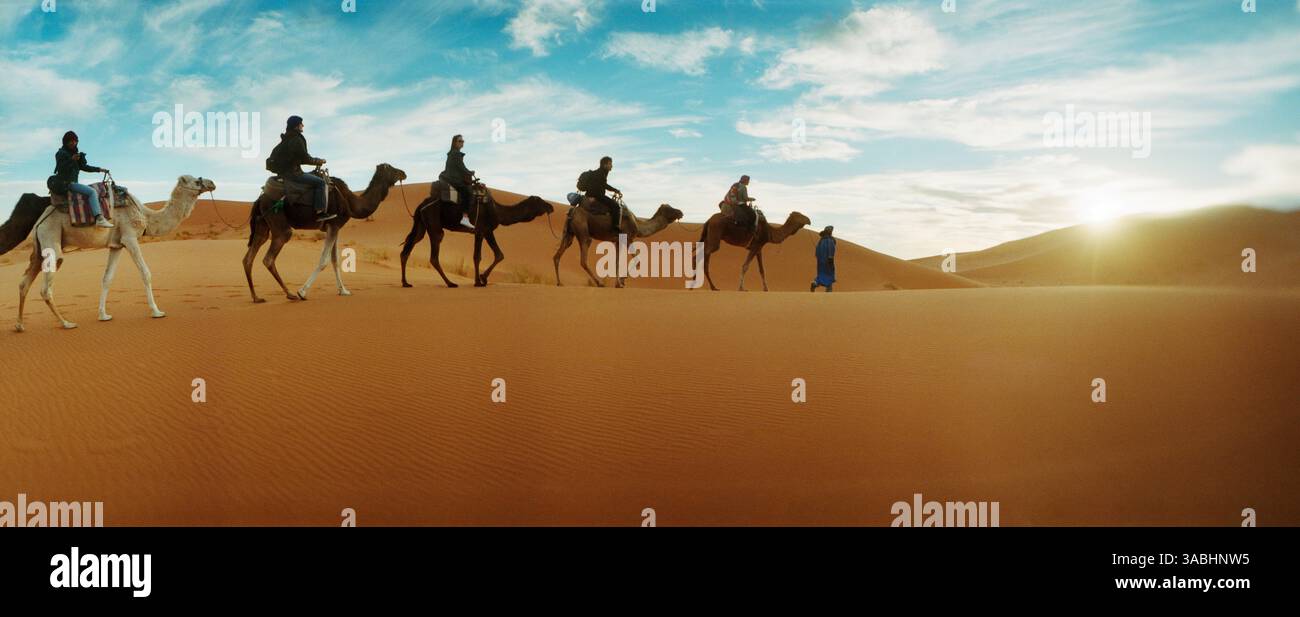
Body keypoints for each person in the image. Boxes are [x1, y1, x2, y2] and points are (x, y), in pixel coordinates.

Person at [271, 116, 334, 222]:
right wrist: (319, 161)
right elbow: (305, 158)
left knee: (313, 176)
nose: (303, 125)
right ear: (296, 126)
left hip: (284, 173)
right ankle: (320, 212)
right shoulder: (296, 139)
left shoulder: (286, 139)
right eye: (301, 123)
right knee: (321, 183)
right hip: (294, 174)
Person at [50, 131, 113, 228]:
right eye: (70, 141)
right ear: (65, 142)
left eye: (74, 141)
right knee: (92, 192)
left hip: (73, 182)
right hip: (67, 183)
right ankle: (99, 218)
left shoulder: (75, 154)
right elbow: (61, 169)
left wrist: (99, 169)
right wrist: (71, 160)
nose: (73, 143)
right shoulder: (60, 154)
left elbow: (84, 167)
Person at [439, 134, 476, 230]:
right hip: (453, 180)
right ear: (454, 143)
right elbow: (461, 168)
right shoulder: (455, 154)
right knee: (468, 193)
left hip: (451, 178)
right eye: (460, 141)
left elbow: (460, 168)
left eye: (462, 141)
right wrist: (469, 172)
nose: (462, 143)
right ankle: (465, 217)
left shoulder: (453, 153)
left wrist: (468, 172)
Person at [585, 156, 623, 232]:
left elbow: (603, 184)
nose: (611, 166)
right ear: (604, 165)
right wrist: (615, 190)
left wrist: (614, 190)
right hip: (597, 195)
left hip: (590, 194)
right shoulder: (601, 173)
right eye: (610, 164)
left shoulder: (599, 173)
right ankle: (615, 228)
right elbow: (604, 185)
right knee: (616, 207)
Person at [811, 226, 836, 292]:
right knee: (829, 273)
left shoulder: (821, 241)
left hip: (820, 261)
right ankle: (829, 288)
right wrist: (830, 257)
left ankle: (815, 283)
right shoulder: (830, 240)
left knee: (821, 274)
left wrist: (819, 258)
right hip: (828, 260)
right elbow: (831, 249)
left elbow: (817, 252)